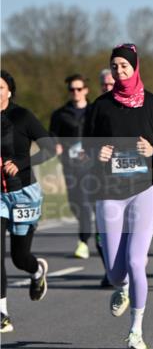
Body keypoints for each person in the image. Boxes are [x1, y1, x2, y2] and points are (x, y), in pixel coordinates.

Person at [84, 44, 153, 349]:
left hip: (145, 188)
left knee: (137, 260)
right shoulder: (100, 106)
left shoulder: (152, 104)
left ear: (135, 67)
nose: (119, 72)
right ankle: (120, 287)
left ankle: (136, 329)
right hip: (109, 190)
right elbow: (82, 148)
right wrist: (98, 152)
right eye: (114, 67)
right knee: (114, 271)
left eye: (124, 66)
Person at [1, 70, 55, 333]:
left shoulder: (22, 117)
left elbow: (50, 147)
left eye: (0, 87)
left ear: (9, 91)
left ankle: (36, 272)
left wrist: (21, 163)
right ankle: (2, 314)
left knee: (19, 257)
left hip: (23, 193)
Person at [49, 74, 96, 259]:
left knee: (84, 201)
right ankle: (86, 221)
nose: (75, 92)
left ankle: (83, 242)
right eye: (72, 89)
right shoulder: (60, 114)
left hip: (91, 164)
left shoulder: (94, 111)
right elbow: (52, 134)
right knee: (74, 203)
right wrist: (56, 145)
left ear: (85, 90)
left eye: (78, 89)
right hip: (69, 163)